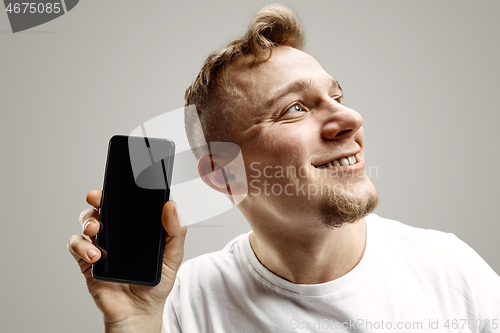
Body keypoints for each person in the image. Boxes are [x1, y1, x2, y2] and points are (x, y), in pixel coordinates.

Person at [68, 4, 500, 332]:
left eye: (338, 96)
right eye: (294, 108)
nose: (350, 120)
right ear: (223, 175)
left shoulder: (452, 273)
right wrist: (135, 325)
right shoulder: (182, 306)